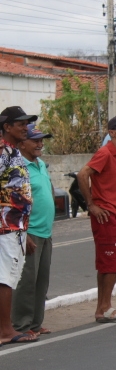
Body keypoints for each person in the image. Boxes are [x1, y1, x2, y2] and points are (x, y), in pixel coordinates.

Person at [77, 116, 116, 324]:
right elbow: (82, 174)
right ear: (112, 133)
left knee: (107, 263)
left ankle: (102, 308)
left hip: (113, 214)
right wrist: (91, 205)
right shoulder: (106, 153)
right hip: (105, 215)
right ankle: (105, 307)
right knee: (112, 263)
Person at [11, 124, 55, 337]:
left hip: (45, 231)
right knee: (26, 282)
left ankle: (35, 323)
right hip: (30, 231)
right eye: (35, 140)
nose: (40, 144)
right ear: (22, 143)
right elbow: (13, 202)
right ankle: (21, 325)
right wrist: (23, 232)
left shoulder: (40, 164)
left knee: (41, 280)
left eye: (41, 140)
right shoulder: (19, 167)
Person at [0, 107, 37, 344]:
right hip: (7, 226)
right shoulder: (3, 151)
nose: (26, 128)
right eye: (20, 124)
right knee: (5, 277)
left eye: (26, 123)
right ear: (7, 127)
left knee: (8, 276)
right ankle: (5, 331)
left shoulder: (12, 151)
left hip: (16, 226)